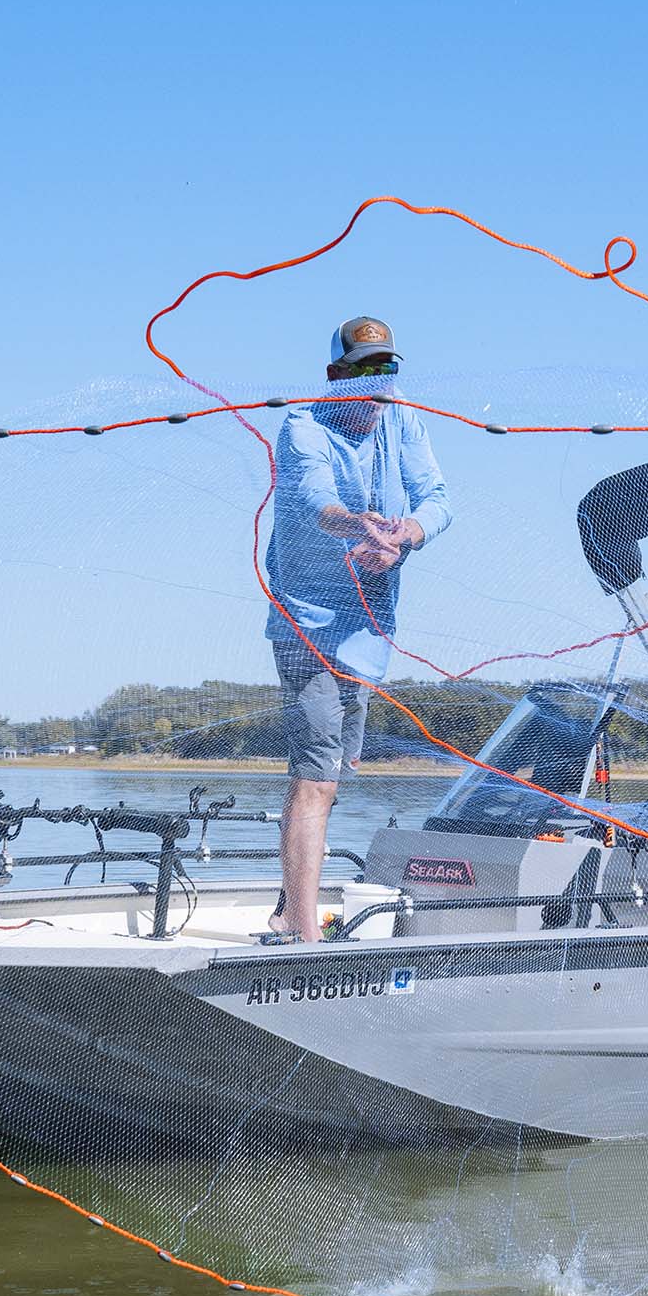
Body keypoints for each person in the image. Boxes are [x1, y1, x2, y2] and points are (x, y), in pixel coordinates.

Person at [264, 317, 452, 940]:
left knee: (341, 771)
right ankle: (303, 933)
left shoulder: (402, 419)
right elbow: (319, 501)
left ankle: (287, 900)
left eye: (387, 371)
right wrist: (360, 526)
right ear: (337, 375)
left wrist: (405, 534)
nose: (378, 386)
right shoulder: (302, 425)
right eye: (365, 370)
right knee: (315, 774)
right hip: (307, 621)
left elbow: (438, 499)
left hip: (367, 628)